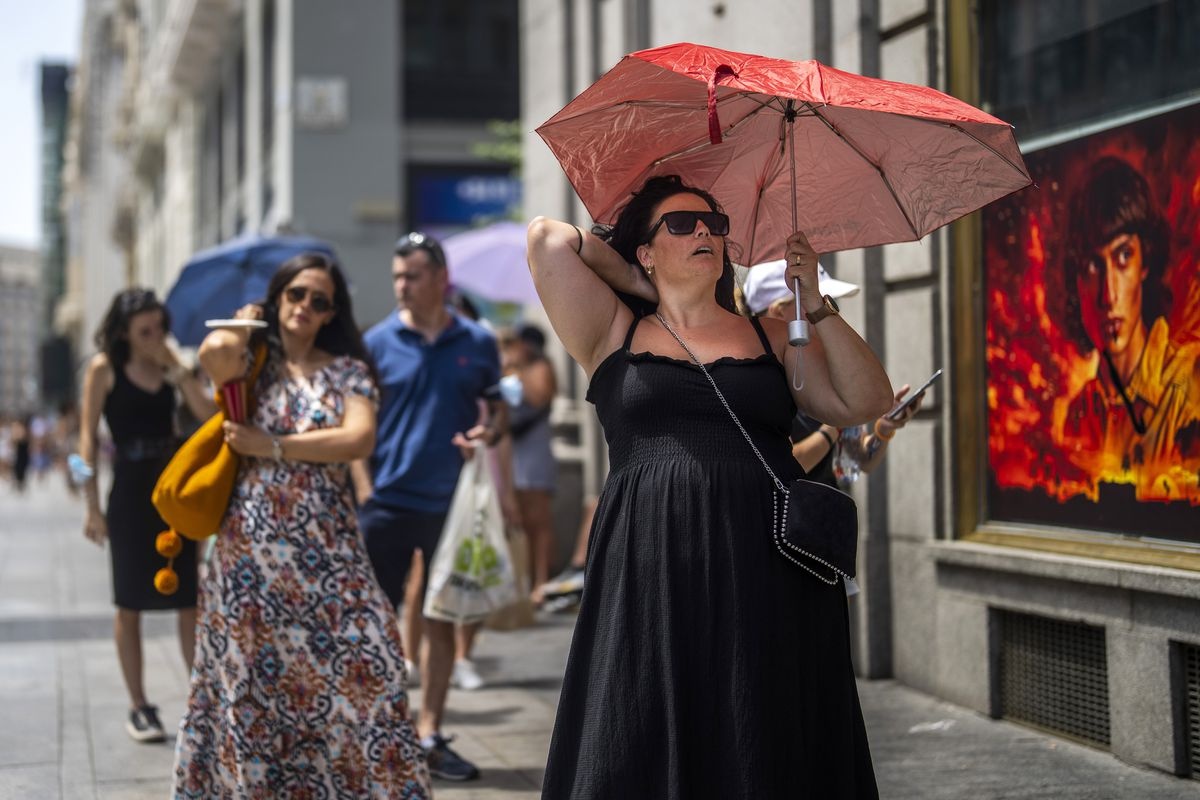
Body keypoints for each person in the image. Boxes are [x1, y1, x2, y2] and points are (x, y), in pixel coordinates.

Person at [527, 174, 893, 798]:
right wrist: (643, 287)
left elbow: (864, 401)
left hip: (768, 565)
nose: (704, 232)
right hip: (651, 565)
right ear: (643, 249)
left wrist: (818, 306)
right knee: (642, 718)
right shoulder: (614, 332)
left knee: (764, 721)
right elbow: (548, 238)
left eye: (715, 225)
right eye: (681, 224)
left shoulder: (772, 336)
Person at [173, 253, 431, 797]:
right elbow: (210, 351)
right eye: (296, 295)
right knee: (252, 687)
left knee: (372, 657)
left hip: (329, 552)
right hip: (248, 556)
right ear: (279, 298)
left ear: (332, 313)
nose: (305, 308)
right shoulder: (251, 363)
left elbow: (358, 438)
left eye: (320, 301)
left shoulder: (347, 370)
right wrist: (246, 319)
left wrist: (273, 446)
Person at [352, 232, 508, 782]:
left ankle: (429, 732)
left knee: (442, 616)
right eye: (397, 276)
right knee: (374, 623)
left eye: (411, 275)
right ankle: (378, 732)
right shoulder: (374, 342)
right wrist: (364, 488)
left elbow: (495, 413)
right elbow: (357, 424)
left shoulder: (477, 341)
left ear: (441, 280)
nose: (401, 285)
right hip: (386, 502)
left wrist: (485, 433)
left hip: (451, 504)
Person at [78, 288, 216, 742]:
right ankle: (139, 705)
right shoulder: (105, 369)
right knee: (130, 602)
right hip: (129, 493)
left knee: (188, 599)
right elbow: (85, 445)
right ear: (124, 332)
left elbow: (208, 415)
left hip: (173, 492)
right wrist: (91, 506)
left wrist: (180, 373)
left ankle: (202, 701)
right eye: (145, 330)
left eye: (160, 327)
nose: (155, 336)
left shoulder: (172, 366)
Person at [1059, 156, 1200, 500]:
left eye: (1123, 257)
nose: (1108, 294)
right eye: (1093, 266)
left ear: (1145, 263)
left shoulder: (1189, 385)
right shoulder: (1079, 414)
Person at [744, 259, 925, 485]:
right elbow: (786, 463)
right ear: (779, 311)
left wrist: (883, 431)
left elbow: (856, 461)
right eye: (813, 303)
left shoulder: (823, 368)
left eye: (827, 303)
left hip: (825, 517)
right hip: (787, 519)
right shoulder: (754, 380)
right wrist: (836, 425)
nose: (824, 314)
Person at [499, 323, 559, 603]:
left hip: (534, 449)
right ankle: (522, 581)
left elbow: (539, 399)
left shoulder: (540, 368)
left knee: (539, 520)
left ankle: (541, 580)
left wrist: (519, 371)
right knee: (518, 519)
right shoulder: (509, 368)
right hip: (513, 450)